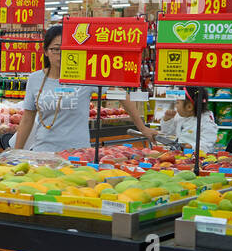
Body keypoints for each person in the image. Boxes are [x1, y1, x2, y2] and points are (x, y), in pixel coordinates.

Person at [13, 24, 157, 155]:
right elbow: (27, 119)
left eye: (66, 49)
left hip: (77, 153)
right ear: (46, 52)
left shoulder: (85, 76)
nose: (61, 54)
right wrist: (16, 152)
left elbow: (121, 94)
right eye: (56, 49)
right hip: (43, 152)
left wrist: (142, 128)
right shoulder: (35, 79)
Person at [159, 88, 219, 153]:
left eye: (177, 103)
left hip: (198, 158)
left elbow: (208, 145)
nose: (175, 106)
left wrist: (190, 147)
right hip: (181, 155)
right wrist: (167, 119)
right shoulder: (181, 117)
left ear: (189, 107)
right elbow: (168, 132)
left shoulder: (206, 122)